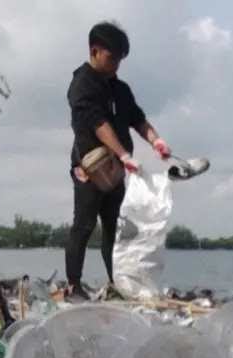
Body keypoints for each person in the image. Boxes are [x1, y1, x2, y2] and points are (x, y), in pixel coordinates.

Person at [65, 21, 172, 301]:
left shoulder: (121, 89)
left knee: (115, 228)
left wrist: (156, 141)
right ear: (95, 51)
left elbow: (138, 119)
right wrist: (124, 155)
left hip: (116, 171)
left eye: (120, 59)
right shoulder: (81, 84)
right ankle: (73, 285)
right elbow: (98, 124)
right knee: (84, 225)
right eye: (112, 57)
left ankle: (117, 282)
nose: (116, 65)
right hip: (89, 167)